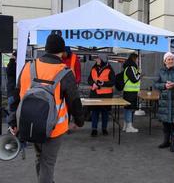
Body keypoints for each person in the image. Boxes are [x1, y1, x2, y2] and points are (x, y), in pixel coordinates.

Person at [7, 34, 84, 183]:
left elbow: (15, 97)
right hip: (54, 128)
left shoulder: (28, 67)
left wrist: (13, 122)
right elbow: (75, 102)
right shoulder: (65, 72)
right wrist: (79, 122)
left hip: (28, 123)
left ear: (46, 49)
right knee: (48, 163)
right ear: (62, 52)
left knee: (39, 158)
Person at [155, 52, 174, 152]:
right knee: (165, 124)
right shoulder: (161, 71)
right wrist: (164, 86)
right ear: (164, 61)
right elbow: (155, 84)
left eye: (172, 59)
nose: (170, 61)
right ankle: (166, 141)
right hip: (165, 102)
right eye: (168, 59)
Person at [88, 53, 115, 136]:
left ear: (103, 60)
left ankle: (104, 129)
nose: (97, 60)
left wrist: (103, 83)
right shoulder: (94, 68)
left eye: (98, 59)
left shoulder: (110, 69)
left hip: (106, 95)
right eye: (97, 59)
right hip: (95, 94)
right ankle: (94, 129)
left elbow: (113, 82)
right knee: (95, 112)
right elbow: (89, 79)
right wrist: (93, 84)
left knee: (105, 113)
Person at [122, 53, 140, 133]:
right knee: (129, 109)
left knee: (127, 108)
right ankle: (129, 126)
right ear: (134, 59)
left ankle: (125, 125)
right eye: (137, 59)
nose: (138, 60)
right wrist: (139, 73)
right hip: (131, 92)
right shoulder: (131, 67)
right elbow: (135, 79)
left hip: (128, 91)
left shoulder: (127, 67)